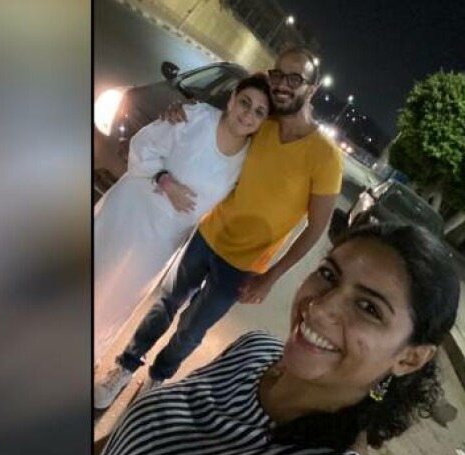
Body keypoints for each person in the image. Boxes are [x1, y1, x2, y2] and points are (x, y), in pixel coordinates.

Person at [92, 223, 460, 455]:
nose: (320, 309)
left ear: (410, 358)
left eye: (368, 307)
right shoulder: (254, 351)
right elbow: (122, 449)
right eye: (328, 275)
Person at [95, 46, 343, 409]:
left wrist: (271, 277)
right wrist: (179, 110)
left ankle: (157, 378)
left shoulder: (326, 157)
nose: (283, 85)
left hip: (245, 264)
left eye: (295, 79)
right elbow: (222, 123)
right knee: (165, 305)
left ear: (313, 88)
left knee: (192, 328)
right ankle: (126, 365)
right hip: (206, 236)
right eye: (278, 74)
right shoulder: (264, 124)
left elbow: (315, 228)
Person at [92, 75, 271, 368]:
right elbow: (143, 145)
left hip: (163, 239)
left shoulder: (247, 161)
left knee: (122, 295)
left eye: (259, 112)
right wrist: (166, 182)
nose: (248, 114)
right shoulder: (194, 116)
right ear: (231, 99)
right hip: (131, 211)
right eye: (245, 103)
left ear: (263, 122)